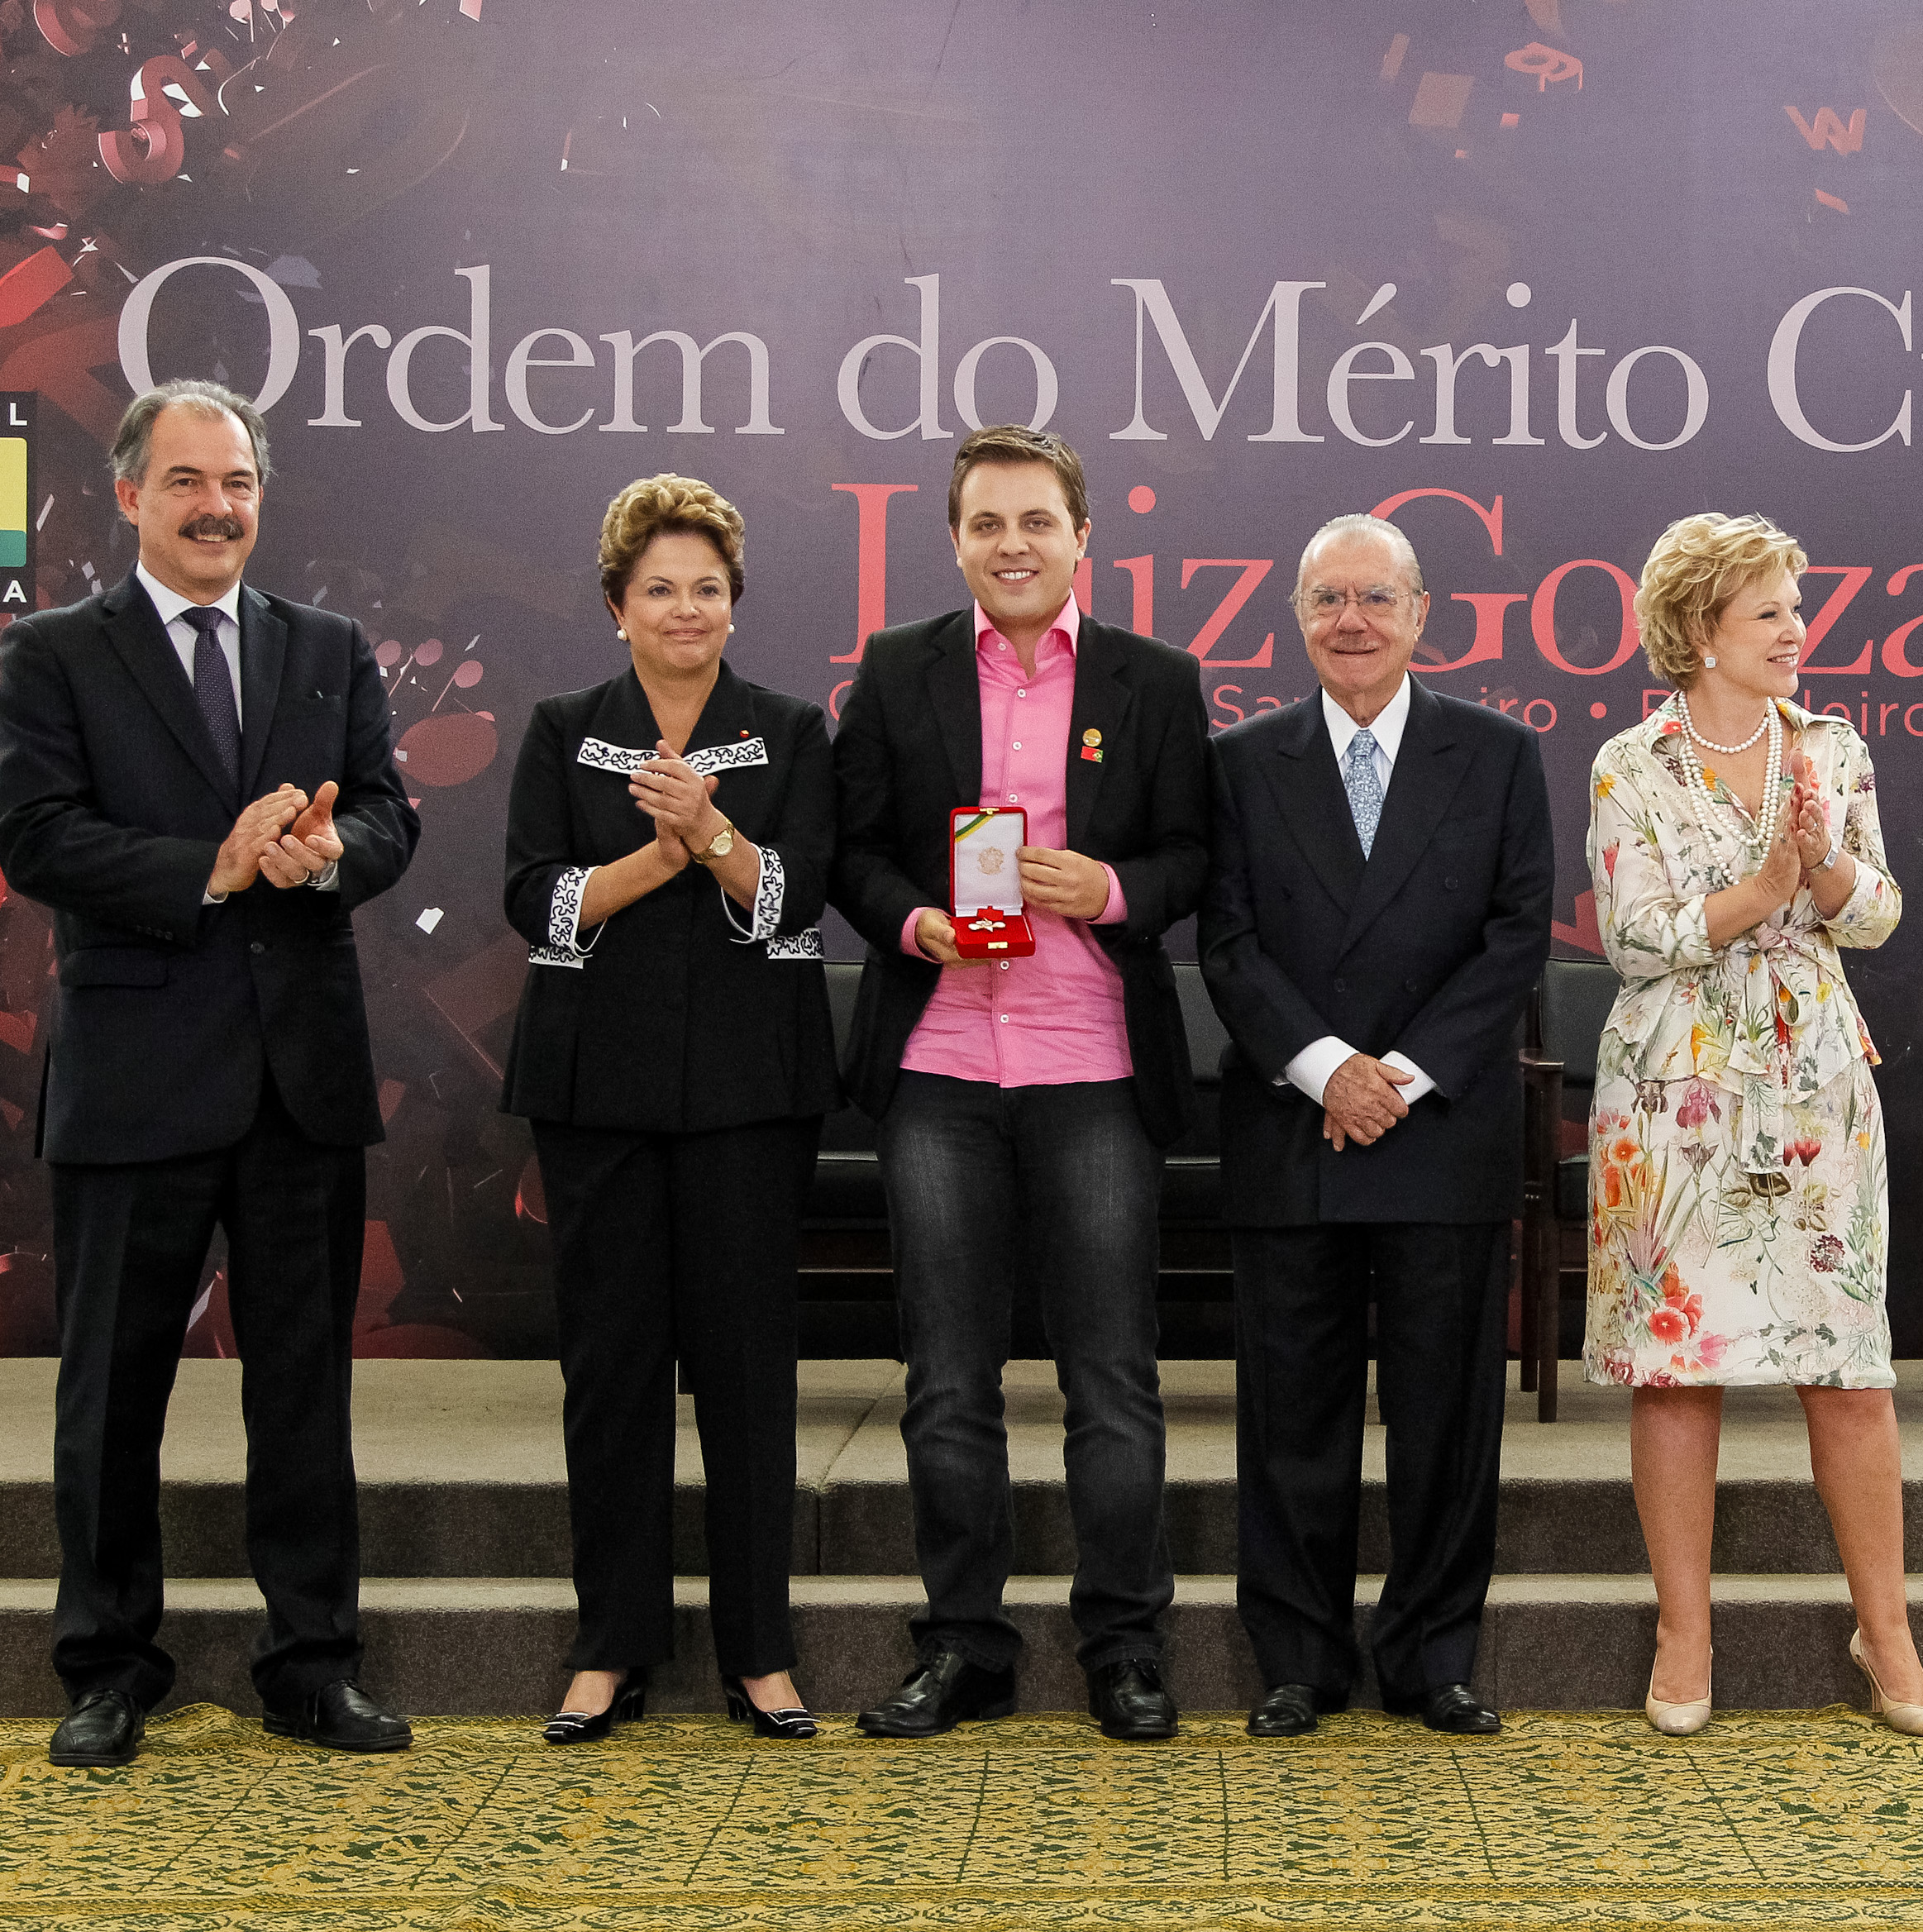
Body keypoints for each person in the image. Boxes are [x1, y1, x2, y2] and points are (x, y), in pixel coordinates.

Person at [0, 379, 420, 1769]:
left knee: (300, 1387)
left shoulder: (326, 644)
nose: (215, 507)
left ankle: (312, 1663)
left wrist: (332, 854)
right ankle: (111, 1667)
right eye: (185, 482)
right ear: (128, 496)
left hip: (297, 1071)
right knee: (112, 1388)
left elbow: (387, 816)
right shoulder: (54, 653)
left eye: (235, 482)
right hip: (132, 1070)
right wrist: (215, 868)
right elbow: (40, 839)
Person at [833, 424, 1210, 1744]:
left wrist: (1109, 889)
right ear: (953, 540)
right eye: (986, 523)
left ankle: (1123, 1644)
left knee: (1112, 1373)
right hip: (940, 1055)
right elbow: (855, 853)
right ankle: (963, 1645)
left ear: (1079, 535)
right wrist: (912, 922)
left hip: (1093, 1056)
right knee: (947, 1378)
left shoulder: (1154, 679)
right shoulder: (895, 670)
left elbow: (1192, 858)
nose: (1012, 544)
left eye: (1036, 521)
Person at [1582, 512, 1923, 1739]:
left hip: (1815, 1088)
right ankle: (1684, 1632)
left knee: (1846, 1367)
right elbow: (1631, 935)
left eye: (1796, 606)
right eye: (1770, 611)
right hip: (1671, 1092)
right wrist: (1759, 893)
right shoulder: (1627, 764)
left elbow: (1882, 909)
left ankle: (1885, 1632)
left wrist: (1828, 877)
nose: (1797, 630)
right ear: (1699, 630)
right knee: (1675, 1370)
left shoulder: (1833, 750)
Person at [1200, 513, 1552, 1739]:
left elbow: (1516, 936)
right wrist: (1325, 1069)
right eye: (1327, 599)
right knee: (1289, 1412)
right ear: (1296, 617)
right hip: (1294, 1127)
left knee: (1446, 1419)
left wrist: (1393, 1074)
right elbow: (1227, 942)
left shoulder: (1498, 753)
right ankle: (1297, 1658)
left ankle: (1430, 1654)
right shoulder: (1241, 761)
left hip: (1439, 1128)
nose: (1351, 620)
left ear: (1421, 614)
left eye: (1375, 598)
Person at [500, 475, 837, 1743]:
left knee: (750, 1372)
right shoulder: (560, 728)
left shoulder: (794, 732)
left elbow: (796, 900)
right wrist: (661, 851)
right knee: (612, 1371)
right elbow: (533, 901)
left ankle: (761, 1648)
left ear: (735, 606)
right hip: (596, 1090)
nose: (684, 608)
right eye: (659, 588)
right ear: (615, 606)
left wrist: (713, 833)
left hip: (754, 1089)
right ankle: (610, 1645)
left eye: (707, 588)